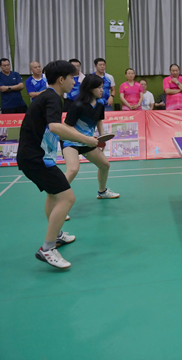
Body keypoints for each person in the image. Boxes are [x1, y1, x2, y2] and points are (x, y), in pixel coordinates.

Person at [17, 60, 99, 269]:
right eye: (72, 78)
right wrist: (86, 139)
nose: (74, 82)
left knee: (54, 195)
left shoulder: (48, 96)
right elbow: (55, 127)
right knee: (67, 197)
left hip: (35, 156)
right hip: (35, 158)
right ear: (61, 79)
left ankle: (57, 235)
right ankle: (47, 248)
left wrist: (82, 138)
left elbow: (57, 126)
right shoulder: (53, 97)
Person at [62, 73, 120, 205]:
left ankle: (102, 192)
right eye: (98, 87)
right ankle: (56, 198)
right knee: (73, 169)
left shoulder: (100, 103)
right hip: (71, 141)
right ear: (89, 88)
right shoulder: (77, 105)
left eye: (102, 87)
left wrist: (102, 138)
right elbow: (67, 127)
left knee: (104, 165)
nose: (102, 90)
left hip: (87, 142)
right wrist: (84, 138)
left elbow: (99, 120)